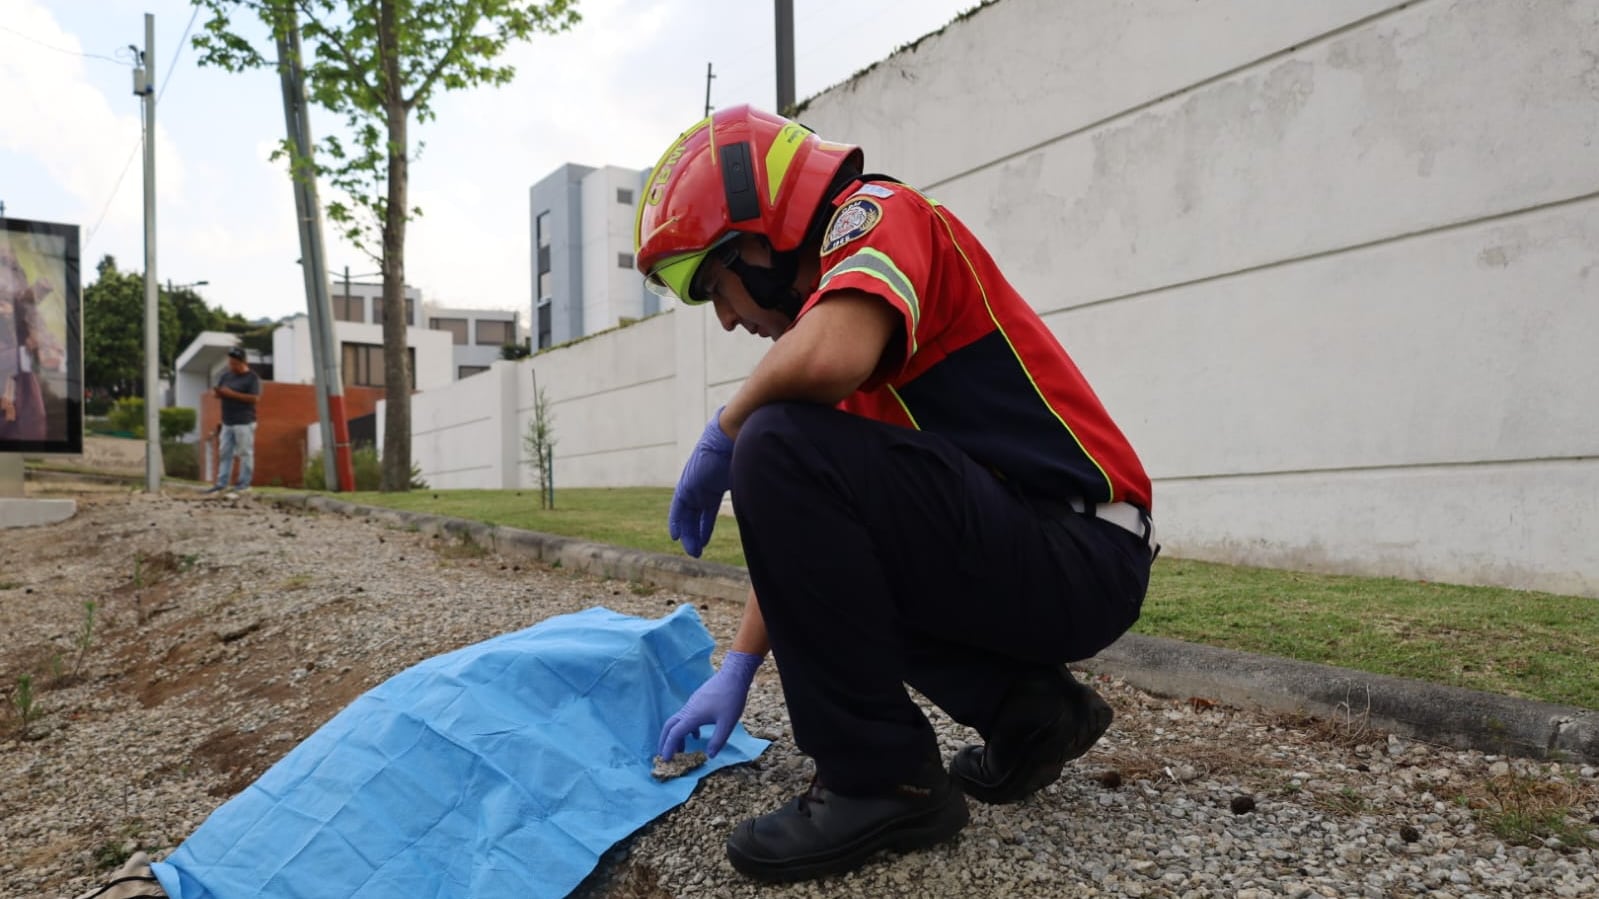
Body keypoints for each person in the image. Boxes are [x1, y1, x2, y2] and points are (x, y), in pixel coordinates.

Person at [636, 105, 1157, 883]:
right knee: (802, 476)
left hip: (1081, 548)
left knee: (774, 437)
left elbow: (822, 365)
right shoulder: (837, 342)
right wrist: (737, 667)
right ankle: (1032, 713)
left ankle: (881, 780)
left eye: (718, 286)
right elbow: (813, 553)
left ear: (760, 237)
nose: (726, 319)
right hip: (1041, 555)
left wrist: (727, 429)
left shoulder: (878, 213)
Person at [205, 346, 260, 495]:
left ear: (243, 362)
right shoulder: (226, 376)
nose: (232, 366)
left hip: (244, 421)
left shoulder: (252, 378)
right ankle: (221, 483)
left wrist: (232, 394)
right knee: (225, 452)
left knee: (245, 453)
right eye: (230, 363)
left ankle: (243, 484)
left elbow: (254, 398)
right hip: (227, 421)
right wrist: (218, 393)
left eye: (235, 363)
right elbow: (219, 394)